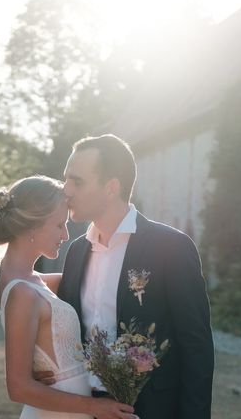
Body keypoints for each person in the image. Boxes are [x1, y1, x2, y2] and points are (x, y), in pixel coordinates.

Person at [57, 134, 215, 419]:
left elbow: (196, 346)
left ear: (111, 187)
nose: (65, 190)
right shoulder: (76, 252)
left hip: (151, 410)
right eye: (65, 179)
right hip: (82, 409)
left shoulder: (171, 247)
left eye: (76, 181)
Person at [0, 175, 135, 419]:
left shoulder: (31, 281)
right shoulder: (22, 292)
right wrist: (94, 407)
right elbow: (18, 387)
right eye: (59, 225)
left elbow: (89, 280)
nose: (64, 236)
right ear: (32, 226)